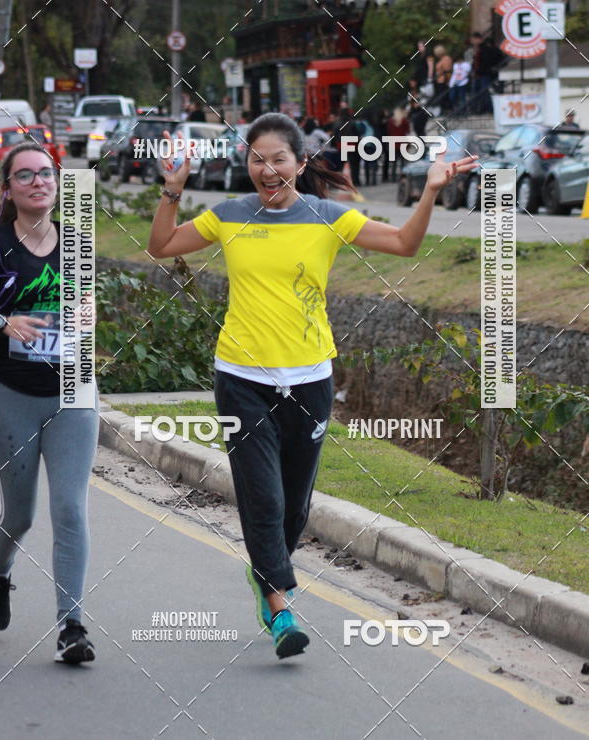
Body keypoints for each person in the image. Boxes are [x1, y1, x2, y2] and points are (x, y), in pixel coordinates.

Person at [147, 113, 477, 660]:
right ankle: (280, 605)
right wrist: (172, 190)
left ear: (300, 163)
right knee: (264, 496)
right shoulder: (228, 215)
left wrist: (430, 191)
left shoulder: (328, 217)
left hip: (310, 380)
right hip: (242, 378)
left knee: (295, 506)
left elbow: (404, 244)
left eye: (278, 158)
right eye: (257, 159)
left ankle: (266, 572)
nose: (267, 169)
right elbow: (161, 245)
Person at [0, 142, 99, 664]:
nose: (39, 182)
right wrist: (2, 322)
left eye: (47, 174)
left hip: (73, 389)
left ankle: (71, 627)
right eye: (26, 175)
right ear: (8, 188)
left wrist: (87, 317)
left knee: (70, 508)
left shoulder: (77, 241)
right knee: (21, 515)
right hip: (13, 394)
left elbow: (85, 304)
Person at [384, 107, 411, 183]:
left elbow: (388, 131)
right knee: (403, 163)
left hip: (393, 144)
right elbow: (408, 131)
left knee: (394, 163)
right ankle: (403, 178)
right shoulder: (404, 121)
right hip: (402, 143)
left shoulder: (390, 121)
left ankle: (393, 178)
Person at [431, 45, 452, 114]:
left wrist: (447, 81)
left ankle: (446, 110)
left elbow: (447, 71)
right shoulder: (441, 59)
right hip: (439, 80)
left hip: (444, 81)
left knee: (444, 96)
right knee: (441, 96)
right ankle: (443, 110)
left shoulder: (446, 59)